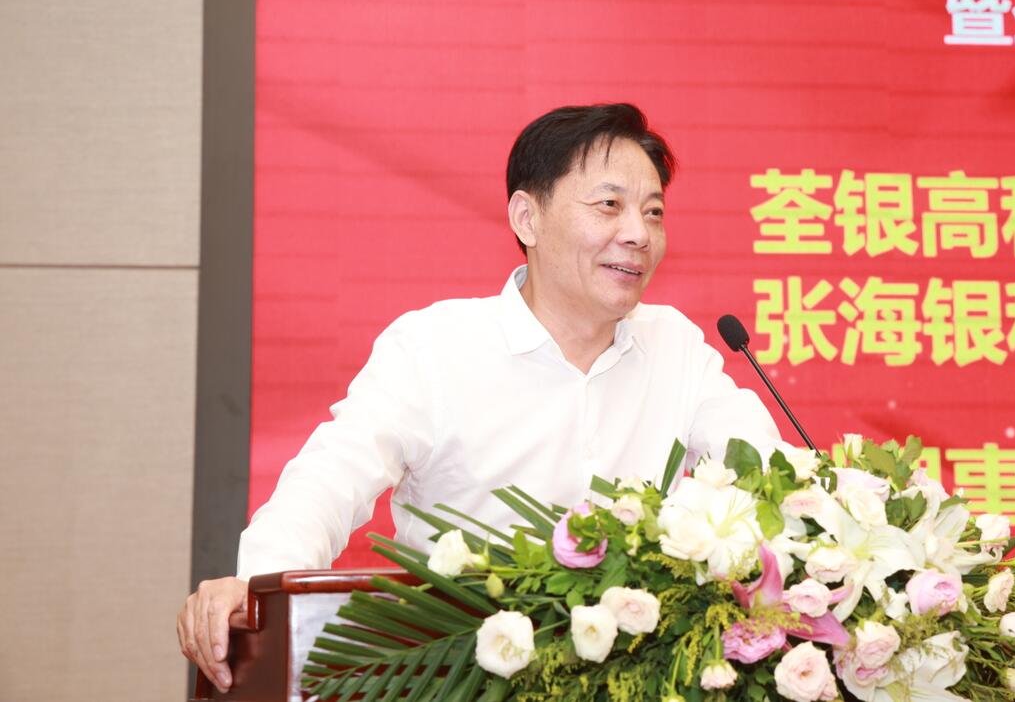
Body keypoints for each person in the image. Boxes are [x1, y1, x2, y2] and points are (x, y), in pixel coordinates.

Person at [176, 103, 781, 690]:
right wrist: (255, 587)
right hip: (460, 676)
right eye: (609, 205)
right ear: (527, 218)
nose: (638, 234)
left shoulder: (674, 344)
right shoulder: (435, 346)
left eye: (653, 213)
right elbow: (332, 476)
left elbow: (760, 465)